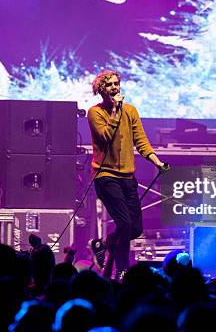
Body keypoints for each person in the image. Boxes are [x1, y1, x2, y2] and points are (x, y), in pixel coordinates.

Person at [87, 70, 166, 279]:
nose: (115, 88)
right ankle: (122, 270)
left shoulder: (130, 111)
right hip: (105, 176)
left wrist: (157, 162)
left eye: (116, 84)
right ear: (101, 90)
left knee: (136, 228)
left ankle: (103, 245)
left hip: (128, 177)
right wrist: (114, 110)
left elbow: (141, 140)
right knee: (124, 223)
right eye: (110, 85)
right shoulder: (95, 112)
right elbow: (105, 137)